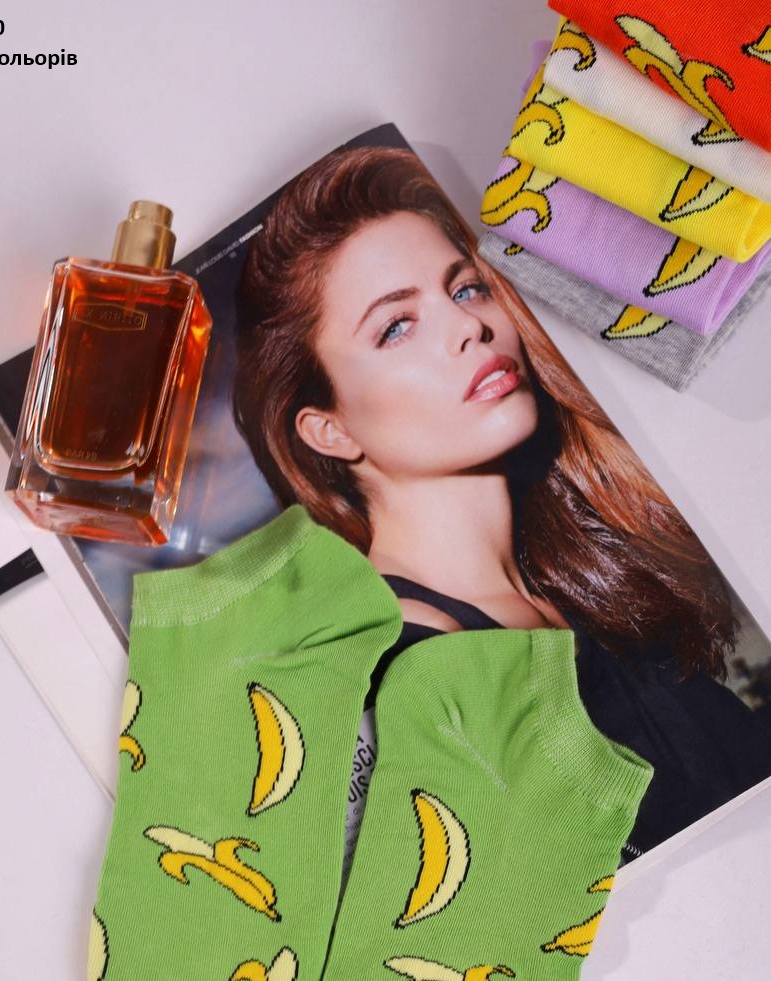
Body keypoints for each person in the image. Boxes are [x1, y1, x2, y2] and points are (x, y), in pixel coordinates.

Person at [232, 143, 771, 860]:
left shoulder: (575, 570)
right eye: (396, 327)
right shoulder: (403, 676)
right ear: (329, 430)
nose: (469, 327)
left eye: (464, 289)